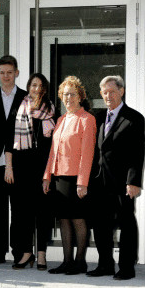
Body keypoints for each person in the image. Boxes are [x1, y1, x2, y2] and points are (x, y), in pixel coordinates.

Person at [87, 75, 145, 280]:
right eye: (104, 92)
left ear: (121, 91)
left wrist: (134, 181)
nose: (108, 96)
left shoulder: (134, 118)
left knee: (126, 223)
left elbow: (138, 153)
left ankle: (127, 267)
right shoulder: (99, 117)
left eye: (112, 91)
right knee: (101, 225)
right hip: (100, 181)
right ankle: (105, 264)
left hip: (123, 182)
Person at [43, 76, 96, 275]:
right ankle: (67, 261)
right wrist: (47, 176)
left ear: (80, 96)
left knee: (78, 219)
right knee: (64, 219)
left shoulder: (87, 119)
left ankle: (80, 261)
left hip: (76, 179)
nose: (69, 98)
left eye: (73, 94)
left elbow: (87, 154)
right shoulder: (61, 120)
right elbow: (53, 151)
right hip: (59, 178)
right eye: (65, 94)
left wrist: (82, 183)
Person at [4, 73, 56, 270]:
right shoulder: (19, 106)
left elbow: (55, 146)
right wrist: (8, 167)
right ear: (28, 87)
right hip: (20, 167)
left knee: (43, 212)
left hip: (42, 168)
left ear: (44, 89)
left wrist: (49, 173)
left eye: (40, 86)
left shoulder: (51, 110)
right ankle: (26, 252)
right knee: (22, 212)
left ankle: (41, 253)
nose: (36, 89)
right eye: (33, 85)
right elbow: (8, 141)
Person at [0, 55, 28, 265]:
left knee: (19, 208)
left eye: (10, 72)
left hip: (18, 162)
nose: (6, 76)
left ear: (16, 73)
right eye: (2, 72)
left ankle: (18, 251)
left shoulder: (26, 98)